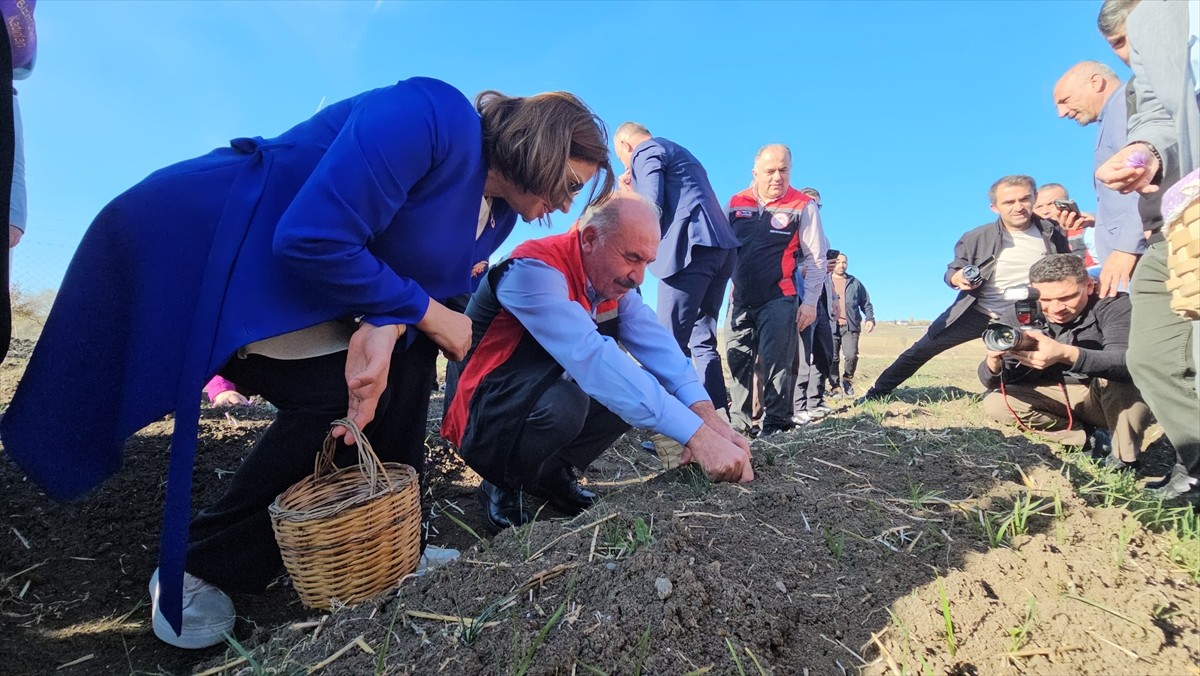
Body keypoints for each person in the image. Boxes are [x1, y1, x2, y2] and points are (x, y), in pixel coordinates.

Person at [0, 78, 615, 648]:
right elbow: (312, 235)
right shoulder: (434, 115)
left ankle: (391, 540)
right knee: (330, 394)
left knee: (403, 367)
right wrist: (420, 313)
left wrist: (397, 322)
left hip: (306, 286)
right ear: (541, 145)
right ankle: (199, 564)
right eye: (567, 183)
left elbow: (401, 280)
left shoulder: (497, 217)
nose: (564, 207)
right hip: (214, 248)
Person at [442, 194, 753, 531]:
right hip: (477, 407)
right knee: (569, 403)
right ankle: (499, 482)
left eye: (647, 262)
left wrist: (707, 418)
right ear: (589, 239)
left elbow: (662, 350)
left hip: (528, 393)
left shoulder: (614, 288)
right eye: (632, 258)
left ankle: (549, 474)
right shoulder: (533, 271)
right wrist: (699, 439)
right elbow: (594, 361)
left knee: (635, 388)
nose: (639, 277)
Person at [1095, 0, 1200, 504]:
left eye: (1122, 41)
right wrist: (1147, 153)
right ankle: (1195, 466)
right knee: (1152, 355)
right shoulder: (1151, 52)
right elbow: (1162, 115)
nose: (1129, 52)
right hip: (1174, 223)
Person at [858, 176, 1071, 402]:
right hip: (977, 312)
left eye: (1025, 199)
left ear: (1034, 198)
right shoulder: (976, 237)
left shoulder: (1052, 233)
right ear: (994, 207)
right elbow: (952, 271)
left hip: (1026, 315)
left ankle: (1030, 398)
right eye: (1009, 202)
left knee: (1042, 355)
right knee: (922, 348)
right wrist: (957, 278)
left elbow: (1069, 268)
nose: (1018, 207)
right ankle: (877, 392)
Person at [612, 123, 739, 411]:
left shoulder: (646, 150)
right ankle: (717, 422)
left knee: (667, 344)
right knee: (702, 341)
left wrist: (627, 196)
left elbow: (649, 207)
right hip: (721, 249)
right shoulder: (683, 154)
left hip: (688, 250)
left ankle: (672, 431)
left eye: (621, 156)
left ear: (625, 144)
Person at [979, 254, 1150, 468]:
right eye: (1046, 300)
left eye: (1067, 297)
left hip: (1103, 395)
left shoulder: (1114, 304)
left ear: (1089, 286)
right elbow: (994, 383)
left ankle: (1124, 458)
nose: (1057, 308)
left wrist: (1065, 354)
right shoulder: (1022, 312)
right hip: (1054, 396)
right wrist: (993, 363)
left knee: (1122, 381)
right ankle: (1085, 438)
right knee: (997, 403)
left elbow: (1128, 363)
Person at [725, 145, 826, 436]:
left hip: (780, 297)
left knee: (778, 362)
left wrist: (808, 303)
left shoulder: (803, 205)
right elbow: (722, 248)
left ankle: (776, 425)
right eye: (770, 171)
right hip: (740, 298)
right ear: (755, 173)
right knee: (736, 358)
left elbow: (816, 258)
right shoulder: (735, 202)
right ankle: (739, 426)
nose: (777, 177)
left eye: (784, 170)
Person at [1051, 61, 1147, 293]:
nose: (1061, 113)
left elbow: (1148, 182)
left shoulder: (1125, 108)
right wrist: (1096, 219)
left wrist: (1126, 248)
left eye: (1064, 101)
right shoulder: (1112, 115)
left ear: (1095, 82)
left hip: (1138, 253)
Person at [791, 187, 835, 424]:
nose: (813, 209)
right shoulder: (793, 232)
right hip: (800, 298)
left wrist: (835, 300)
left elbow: (824, 273)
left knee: (823, 352)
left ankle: (814, 400)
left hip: (821, 301)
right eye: (809, 204)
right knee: (801, 354)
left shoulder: (823, 238)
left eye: (817, 206)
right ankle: (797, 406)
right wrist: (803, 271)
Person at [827, 252, 875, 398]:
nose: (841, 265)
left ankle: (847, 379)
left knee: (851, 355)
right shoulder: (826, 280)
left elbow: (866, 303)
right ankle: (835, 387)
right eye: (838, 262)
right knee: (833, 358)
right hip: (830, 325)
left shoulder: (855, 283)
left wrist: (870, 319)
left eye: (844, 262)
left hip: (850, 325)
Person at [1032, 183, 1096, 267]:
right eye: (1039, 207)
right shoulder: (1032, 235)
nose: (1045, 211)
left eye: (1051, 204)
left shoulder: (1088, 227)